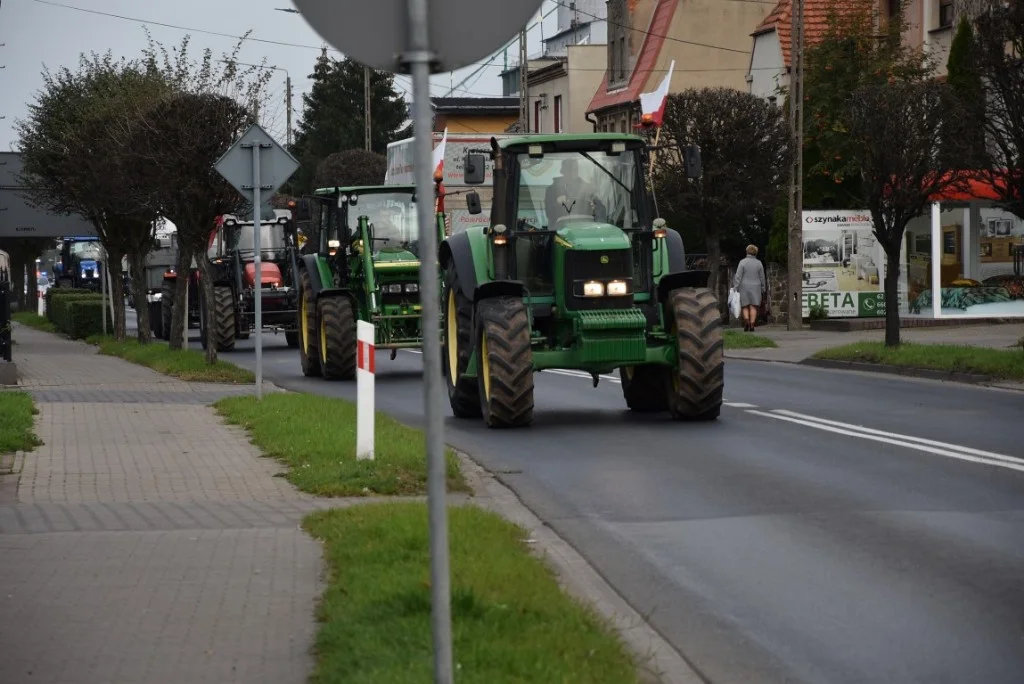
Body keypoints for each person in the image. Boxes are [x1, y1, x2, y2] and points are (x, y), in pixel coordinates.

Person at [544, 158, 598, 227]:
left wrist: (594, 208)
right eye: (569, 169)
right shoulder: (551, 190)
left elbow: (601, 211)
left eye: (575, 169)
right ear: (563, 171)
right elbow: (549, 214)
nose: (572, 172)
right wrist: (557, 203)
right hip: (559, 231)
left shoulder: (588, 189)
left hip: (585, 229)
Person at [733, 244, 767, 332]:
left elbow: (738, 276)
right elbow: (762, 277)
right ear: (755, 252)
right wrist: (763, 287)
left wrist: (735, 287)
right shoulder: (759, 263)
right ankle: (752, 325)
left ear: (747, 251)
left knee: (745, 306)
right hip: (756, 287)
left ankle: (747, 322)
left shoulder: (742, 262)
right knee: (753, 306)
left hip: (744, 286)